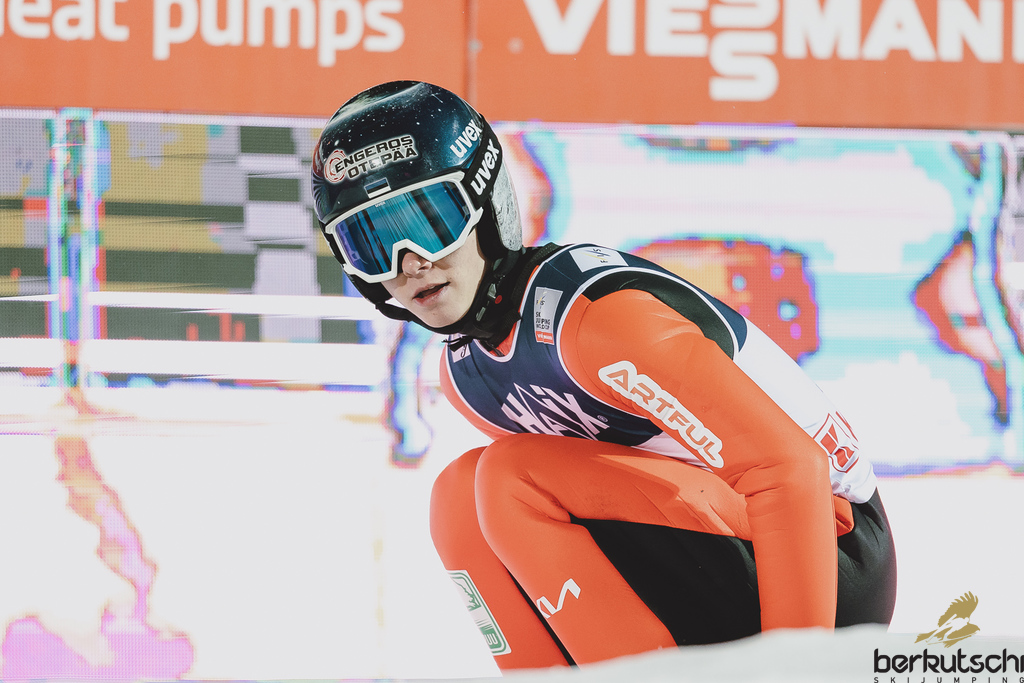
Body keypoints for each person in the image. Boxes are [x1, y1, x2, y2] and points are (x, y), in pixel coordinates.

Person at [311, 81, 897, 671]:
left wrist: (797, 665)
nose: (409, 262)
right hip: (718, 539)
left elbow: (788, 471)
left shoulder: (597, 321)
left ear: (486, 205)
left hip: (831, 552)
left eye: (430, 221)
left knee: (510, 480)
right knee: (458, 498)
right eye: (371, 243)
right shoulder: (470, 379)